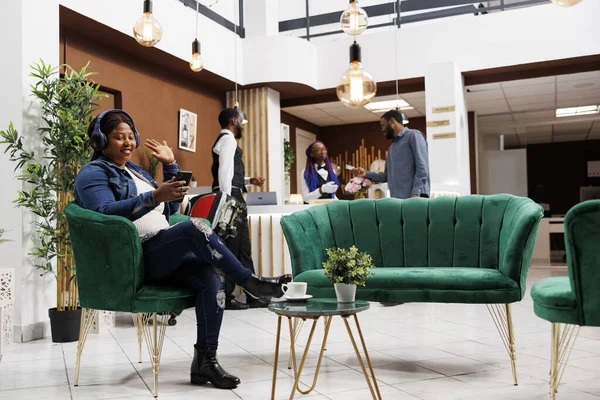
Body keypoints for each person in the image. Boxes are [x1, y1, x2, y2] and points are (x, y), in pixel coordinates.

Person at [74, 109, 291, 390]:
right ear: (100, 140)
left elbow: (170, 210)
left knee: (210, 275)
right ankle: (250, 282)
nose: (127, 142)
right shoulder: (92, 173)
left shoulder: (136, 171)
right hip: (135, 257)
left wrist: (171, 166)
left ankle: (205, 362)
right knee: (194, 227)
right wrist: (153, 196)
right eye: (118, 137)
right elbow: (104, 213)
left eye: (130, 136)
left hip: (161, 248)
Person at [211, 108, 271, 310]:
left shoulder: (223, 140)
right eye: (241, 121)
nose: (241, 124)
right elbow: (224, 171)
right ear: (234, 120)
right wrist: (228, 201)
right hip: (232, 199)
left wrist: (249, 180)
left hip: (233, 196)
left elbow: (228, 172)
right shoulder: (228, 140)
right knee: (232, 248)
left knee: (242, 248)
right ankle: (225, 296)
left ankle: (253, 294)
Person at [356, 109, 430, 199]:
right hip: (398, 200)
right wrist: (366, 174)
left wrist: (415, 194)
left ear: (391, 121)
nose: (382, 130)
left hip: (416, 198)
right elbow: (386, 176)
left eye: (383, 126)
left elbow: (422, 168)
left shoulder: (413, 136)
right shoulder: (392, 148)